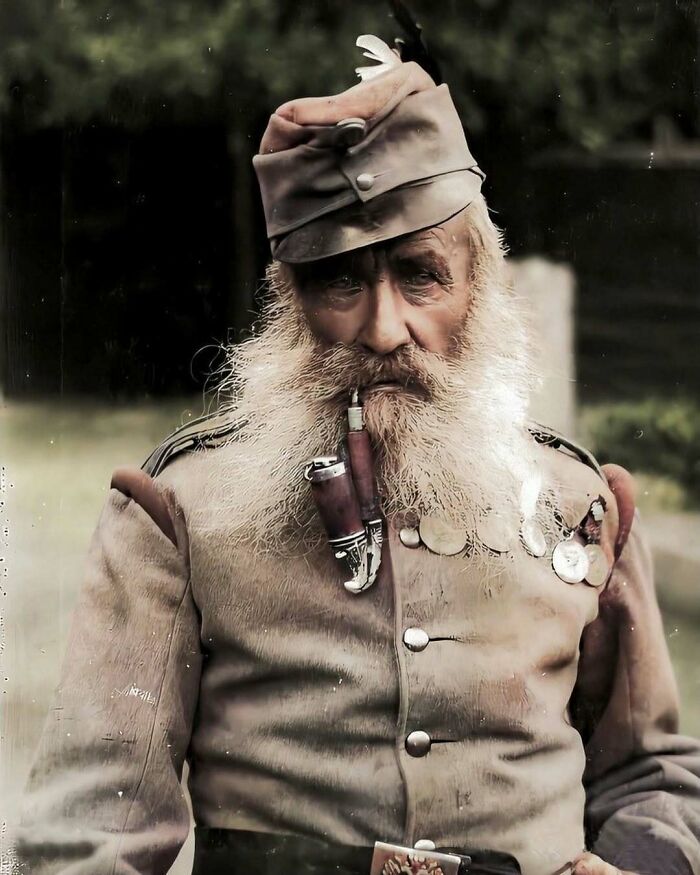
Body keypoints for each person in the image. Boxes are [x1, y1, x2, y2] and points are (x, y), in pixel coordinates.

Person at [15, 34, 700, 875]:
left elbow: (650, 774)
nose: (383, 329)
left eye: (421, 275)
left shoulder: (579, 504)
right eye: (340, 280)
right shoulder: (178, 514)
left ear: (478, 286)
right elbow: (88, 833)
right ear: (289, 301)